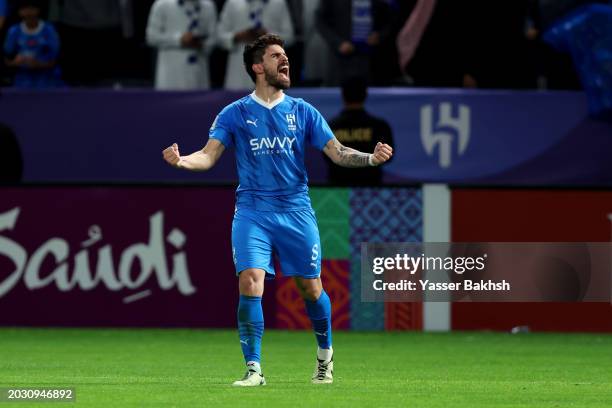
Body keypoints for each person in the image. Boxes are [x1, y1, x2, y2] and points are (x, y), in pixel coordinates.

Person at [162, 34, 393, 386]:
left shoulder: (302, 111)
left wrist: (369, 158)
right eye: (276, 56)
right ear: (258, 67)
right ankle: (254, 369)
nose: (285, 61)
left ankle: (325, 358)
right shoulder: (235, 113)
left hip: (296, 211)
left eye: (285, 55)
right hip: (253, 211)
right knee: (250, 281)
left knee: (310, 289)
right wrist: (182, 161)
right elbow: (208, 155)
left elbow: (337, 151)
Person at [326, 77, 394, 185]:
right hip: (370, 192)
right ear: (366, 95)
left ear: (343, 95)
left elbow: (327, 157)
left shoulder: (330, 127)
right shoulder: (380, 126)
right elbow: (388, 157)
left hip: (339, 190)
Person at [217, 0, 293, 90]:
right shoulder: (232, 3)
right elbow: (219, 36)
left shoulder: (278, 3)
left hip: (270, 69)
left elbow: (290, 37)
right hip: (238, 70)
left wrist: (269, 36)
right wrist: (236, 37)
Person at [147, 0, 218, 90]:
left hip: (199, 73)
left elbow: (214, 38)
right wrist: (179, 39)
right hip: (171, 76)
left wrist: (202, 44)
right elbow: (151, 37)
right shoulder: (162, 4)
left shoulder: (208, 6)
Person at [3, 0, 61, 88]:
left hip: (47, 80)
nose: (28, 13)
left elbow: (55, 59)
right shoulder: (14, 31)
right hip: (21, 81)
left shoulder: (49, 30)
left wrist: (39, 64)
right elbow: (7, 59)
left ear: (38, 9)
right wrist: (16, 62)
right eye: (24, 9)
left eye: (31, 8)